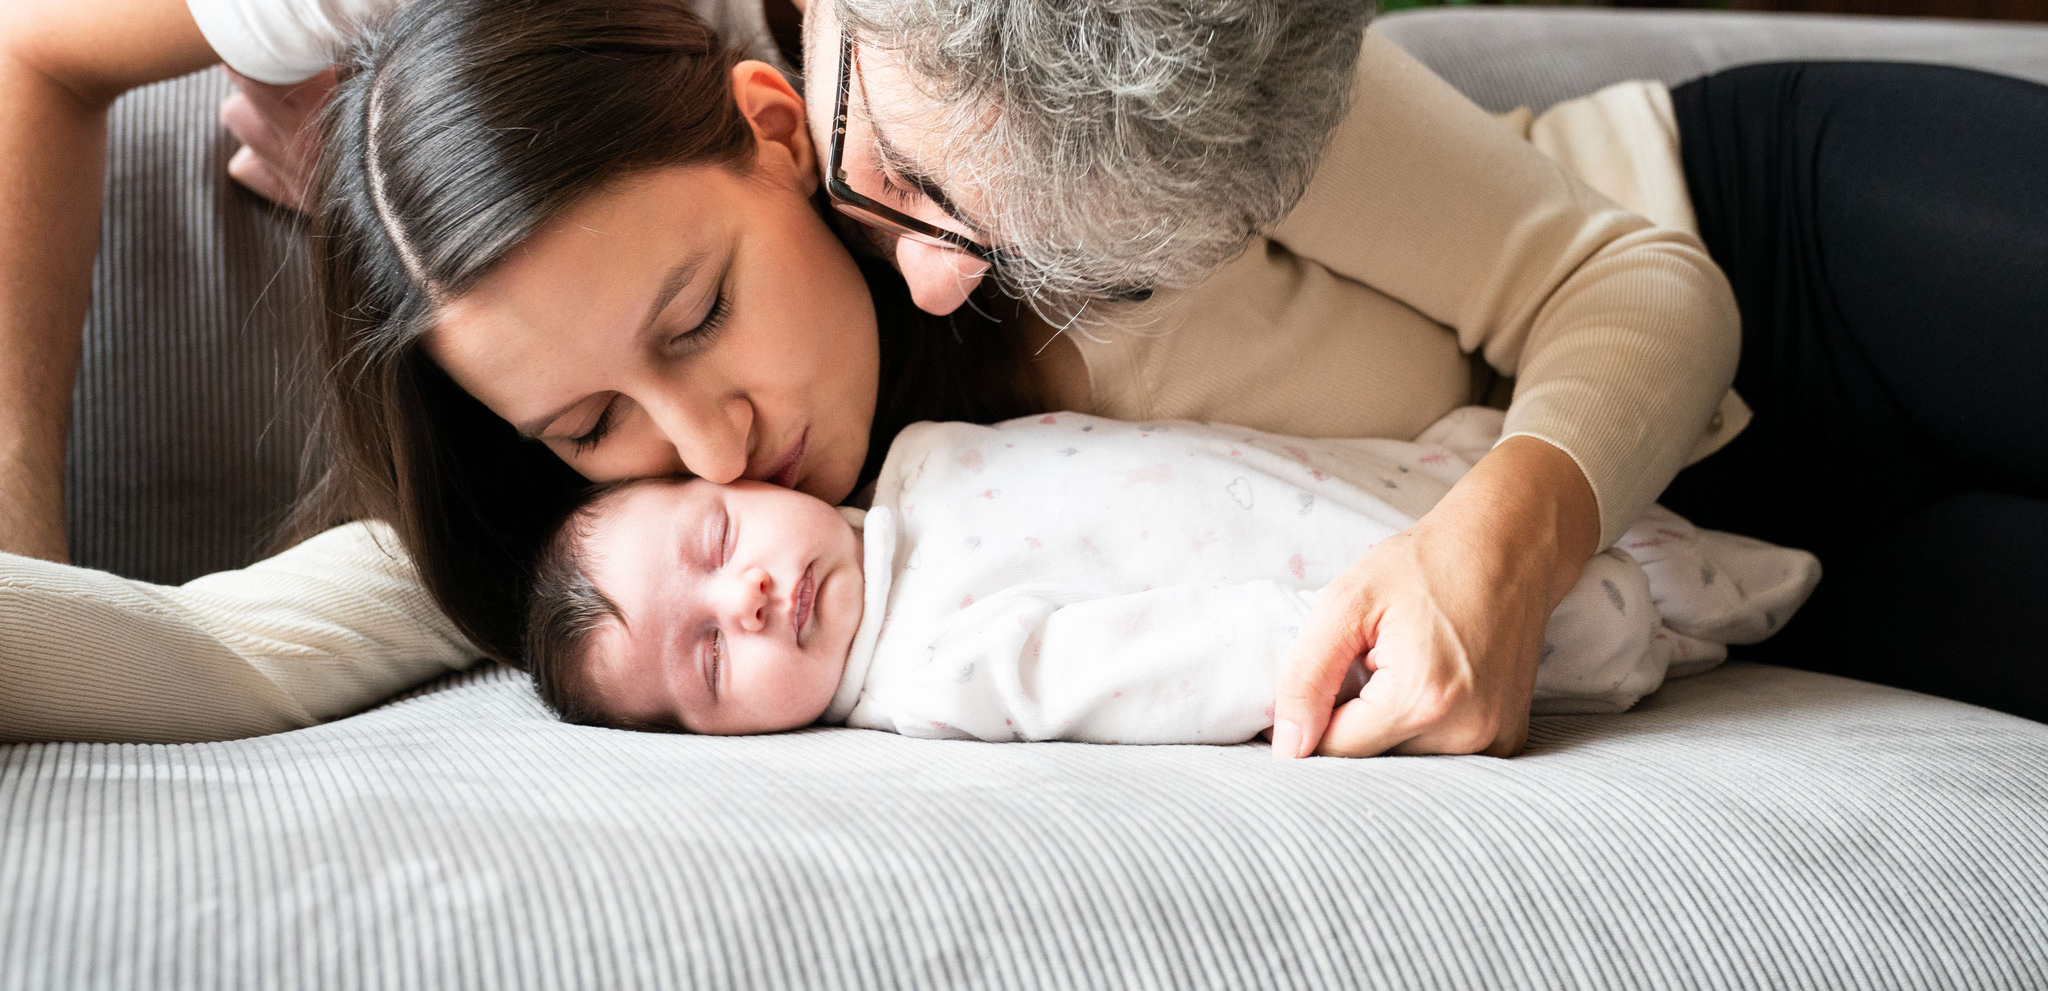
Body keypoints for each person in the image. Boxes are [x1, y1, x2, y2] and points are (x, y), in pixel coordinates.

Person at [2, 0, 1750, 760]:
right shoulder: (661, 554)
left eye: (695, 321)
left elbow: (1609, 267)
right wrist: (420, 212)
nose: (705, 456)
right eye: (588, 418)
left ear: (766, 114)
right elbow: (241, 645)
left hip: (1741, 256)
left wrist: (1507, 540)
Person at [524, 409, 1819, 741]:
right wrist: (1339, 647)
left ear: (734, 483)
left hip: (1411, 483)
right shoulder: (935, 670)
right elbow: (1161, 668)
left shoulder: (918, 463)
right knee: (1662, 603)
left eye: (711, 543)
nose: (743, 597)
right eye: (706, 659)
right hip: (1399, 615)